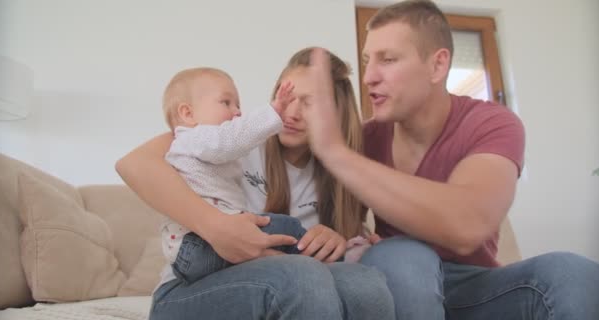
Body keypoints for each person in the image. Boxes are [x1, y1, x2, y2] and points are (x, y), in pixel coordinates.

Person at [300, 1, 599, 319]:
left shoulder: (492, 123)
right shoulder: (365, 139)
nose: (369, 77)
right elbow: (337, 225)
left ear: (437, 65)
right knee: (405, 254)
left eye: (387, 60)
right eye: (367, 61)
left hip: (474, 286)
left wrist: (337, 153)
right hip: (398, 276)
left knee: (573, 273)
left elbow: (468, 223)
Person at [116, 48, 395, 320]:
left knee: (364, 284)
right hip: (186, 291)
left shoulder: (338, 174)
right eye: (287, 96)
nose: (293, 113)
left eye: (310, 103)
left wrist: (335, 239)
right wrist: (216, 227)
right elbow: (133, 164)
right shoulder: (232, 141)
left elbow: (345, 244)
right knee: (301, 275)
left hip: (275, 278)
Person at [160, 67, 309, 283]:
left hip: (193, 252)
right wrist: (273, 112)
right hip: (197, 247)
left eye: (238, 104)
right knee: (289, 228)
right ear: (188, 114)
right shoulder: (193, 139)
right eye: (226, 102)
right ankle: (313, 263)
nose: (238, 111)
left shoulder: (200, 147)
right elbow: (230, 140)